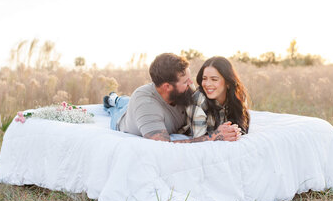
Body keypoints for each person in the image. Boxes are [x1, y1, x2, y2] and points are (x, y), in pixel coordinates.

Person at [103, 53, 241, 143]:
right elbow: (163, 146)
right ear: (167, 87)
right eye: (186, 82)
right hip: (123, 118)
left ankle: (118, 98)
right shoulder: (146, 105)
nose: (191, 84)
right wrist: (214, 136)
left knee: (126, 100)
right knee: (118, 107)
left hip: (137, 103)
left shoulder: (182, 91)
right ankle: (113, 99)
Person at [180, 56, 250, 138]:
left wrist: (234, 131)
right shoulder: (199, 99)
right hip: (190, 138)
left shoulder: (238, 96)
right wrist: (217, 134)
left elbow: (242, 129)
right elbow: (199, 139)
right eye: (204, 78)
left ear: (227, 82)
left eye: (214, 79)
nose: (207, 84)